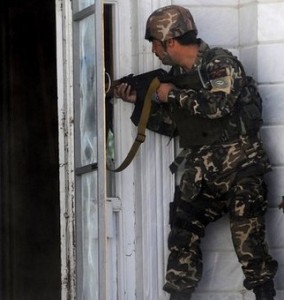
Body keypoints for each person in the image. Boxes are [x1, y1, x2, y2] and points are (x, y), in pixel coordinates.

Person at [114, 5, 278, 300]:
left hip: (241, 168)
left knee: (249, 244)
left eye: (154, 42)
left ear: (170, 42)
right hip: (203, 174)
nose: (153, 49)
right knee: (181, 235)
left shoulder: (221, 65)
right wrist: (139, 104)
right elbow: (175, 125)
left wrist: (171, 94)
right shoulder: (175, 76)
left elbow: (217, 105)